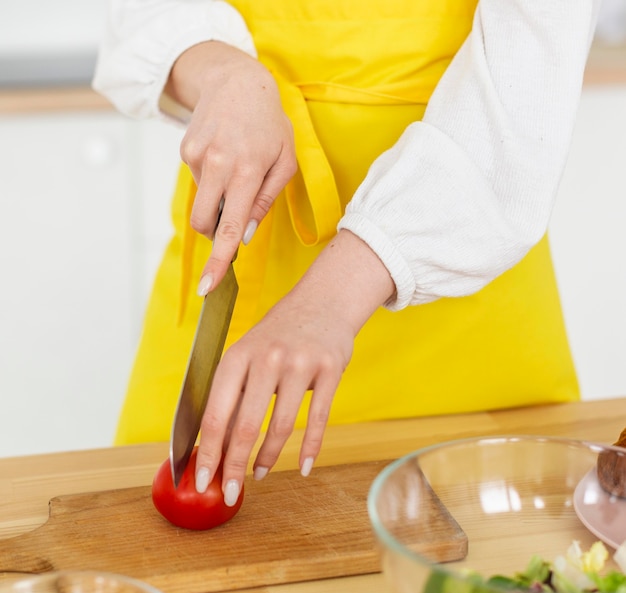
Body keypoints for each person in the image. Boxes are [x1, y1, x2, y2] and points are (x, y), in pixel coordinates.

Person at [93, 0, 600, 507]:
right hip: (240, 260)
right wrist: (222, 73)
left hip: (468, 309)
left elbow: (524, 93)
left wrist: (332, 298)